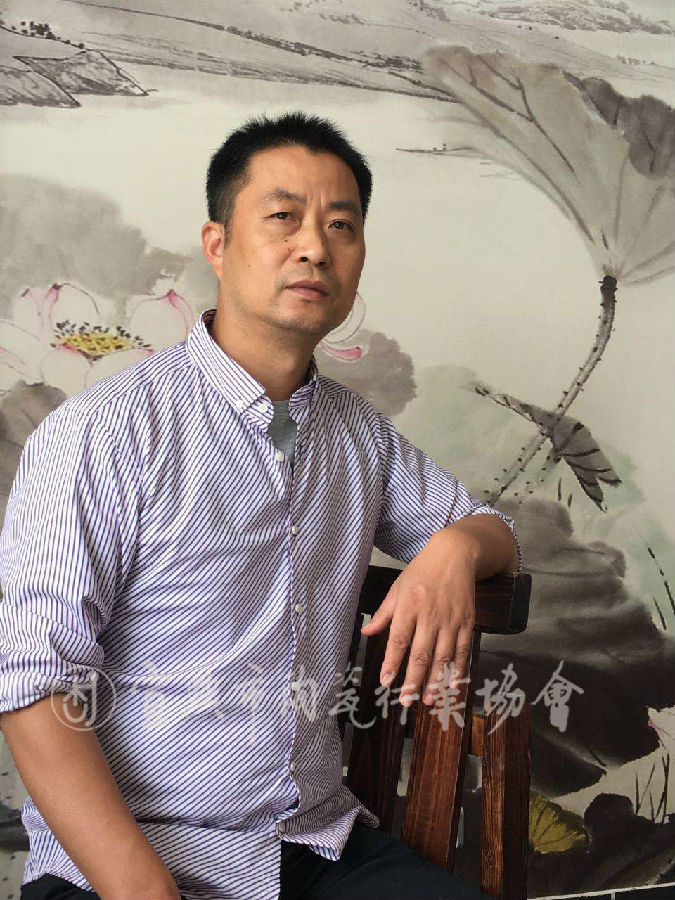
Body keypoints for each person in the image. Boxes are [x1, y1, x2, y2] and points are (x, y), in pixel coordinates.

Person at [0, 111, 522, 900]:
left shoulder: (358, 435)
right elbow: (33, 687)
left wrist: (454, 547)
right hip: (132, 854)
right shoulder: (103, 434)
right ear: (217, 245)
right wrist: (142, 889)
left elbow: (493, 530)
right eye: (283, 217)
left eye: (340, 225)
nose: (314, 247)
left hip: (311, 843)